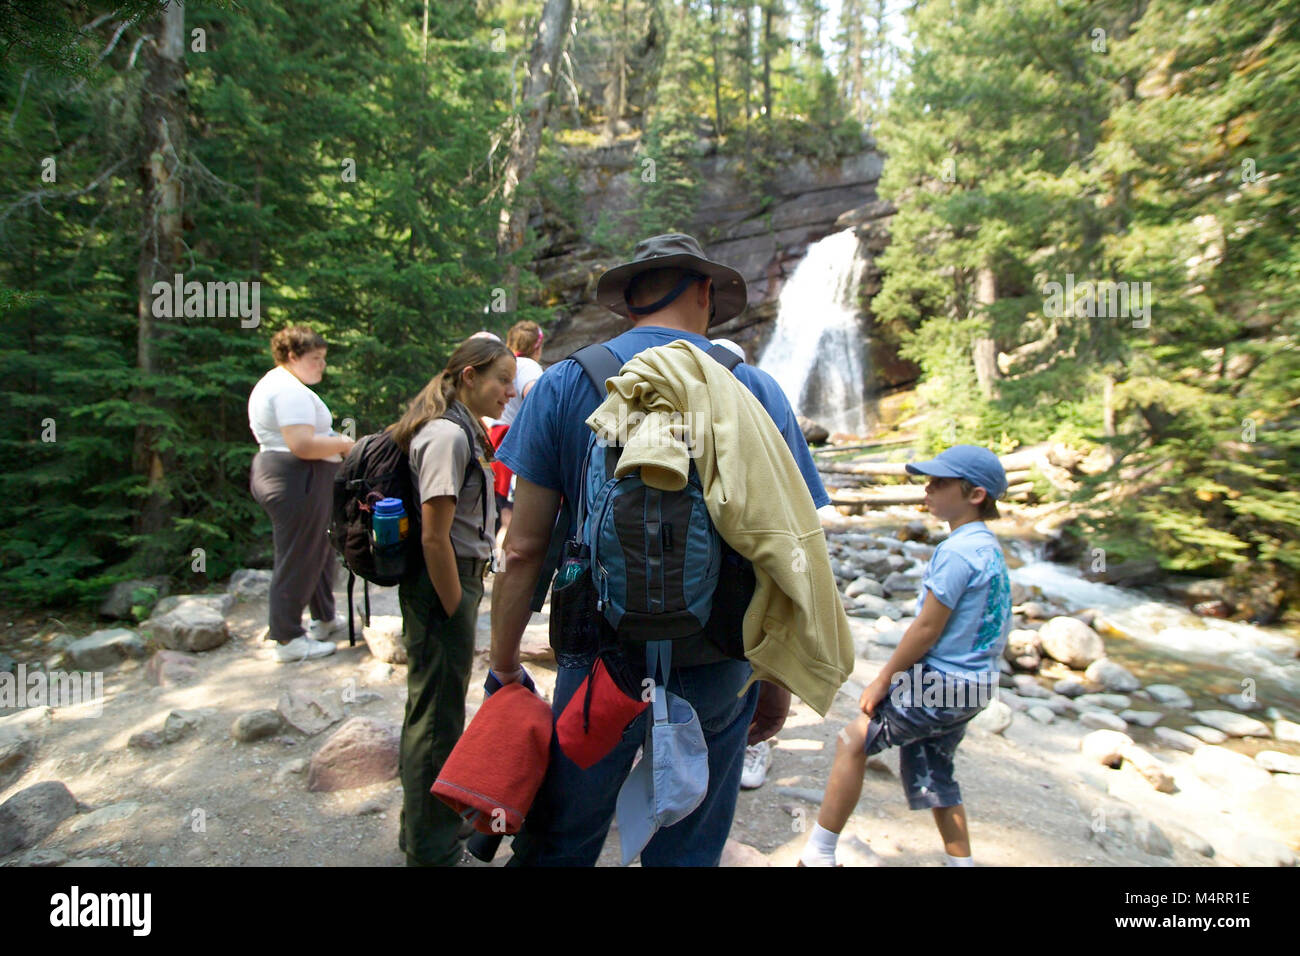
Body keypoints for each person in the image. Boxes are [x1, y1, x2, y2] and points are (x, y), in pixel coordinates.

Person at [489, 233, 833, 866]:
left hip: (595, 661)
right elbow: (788, 551)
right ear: (705, 292)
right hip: (721, 655)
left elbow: (522, 550)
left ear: (628, 305)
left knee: (561, 838)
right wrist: (776, 676)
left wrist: (505, 665)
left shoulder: (566, 383)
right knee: (688, 848)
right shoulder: (757, 390)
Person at [799, 445, 1011, 867]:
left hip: (942, 682)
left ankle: (818, 855)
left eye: (939, 483)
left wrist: (884, 679)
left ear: (976, 495)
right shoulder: (988, 548)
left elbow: (927, 628)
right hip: (978, 685)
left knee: (852, 740)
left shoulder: (955, 552)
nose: (927, 491)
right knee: (936, 771)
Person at [388, 335, 517, 866]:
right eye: (501, 380)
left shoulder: (462, 429)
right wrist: (451, 605)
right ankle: (432, 849)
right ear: (469, 376)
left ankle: (424, 833)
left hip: (456, 579)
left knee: (434, 710)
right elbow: (434, 537)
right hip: (444, 582)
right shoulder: (446, 435)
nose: (509, 392)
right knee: (438, 720)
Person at [248, 325, 355, 663]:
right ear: (292, 356)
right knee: (299, 554)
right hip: (296, 477)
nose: (322, 365)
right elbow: (303, 444)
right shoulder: (287, 390)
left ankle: (323, 617)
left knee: (319, 548)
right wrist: (346, 444)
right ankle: (287, 637)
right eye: (315, 358)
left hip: (300, 477)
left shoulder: (286, 385)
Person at [488, 321, 547, 546]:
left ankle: (496, 567)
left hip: (497, 445)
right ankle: (501, 570)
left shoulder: (506, 365)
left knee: (504, 515)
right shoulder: (529, 367)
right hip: (515, 446)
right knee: (512, 521)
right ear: (537, 347)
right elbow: (536, 398)